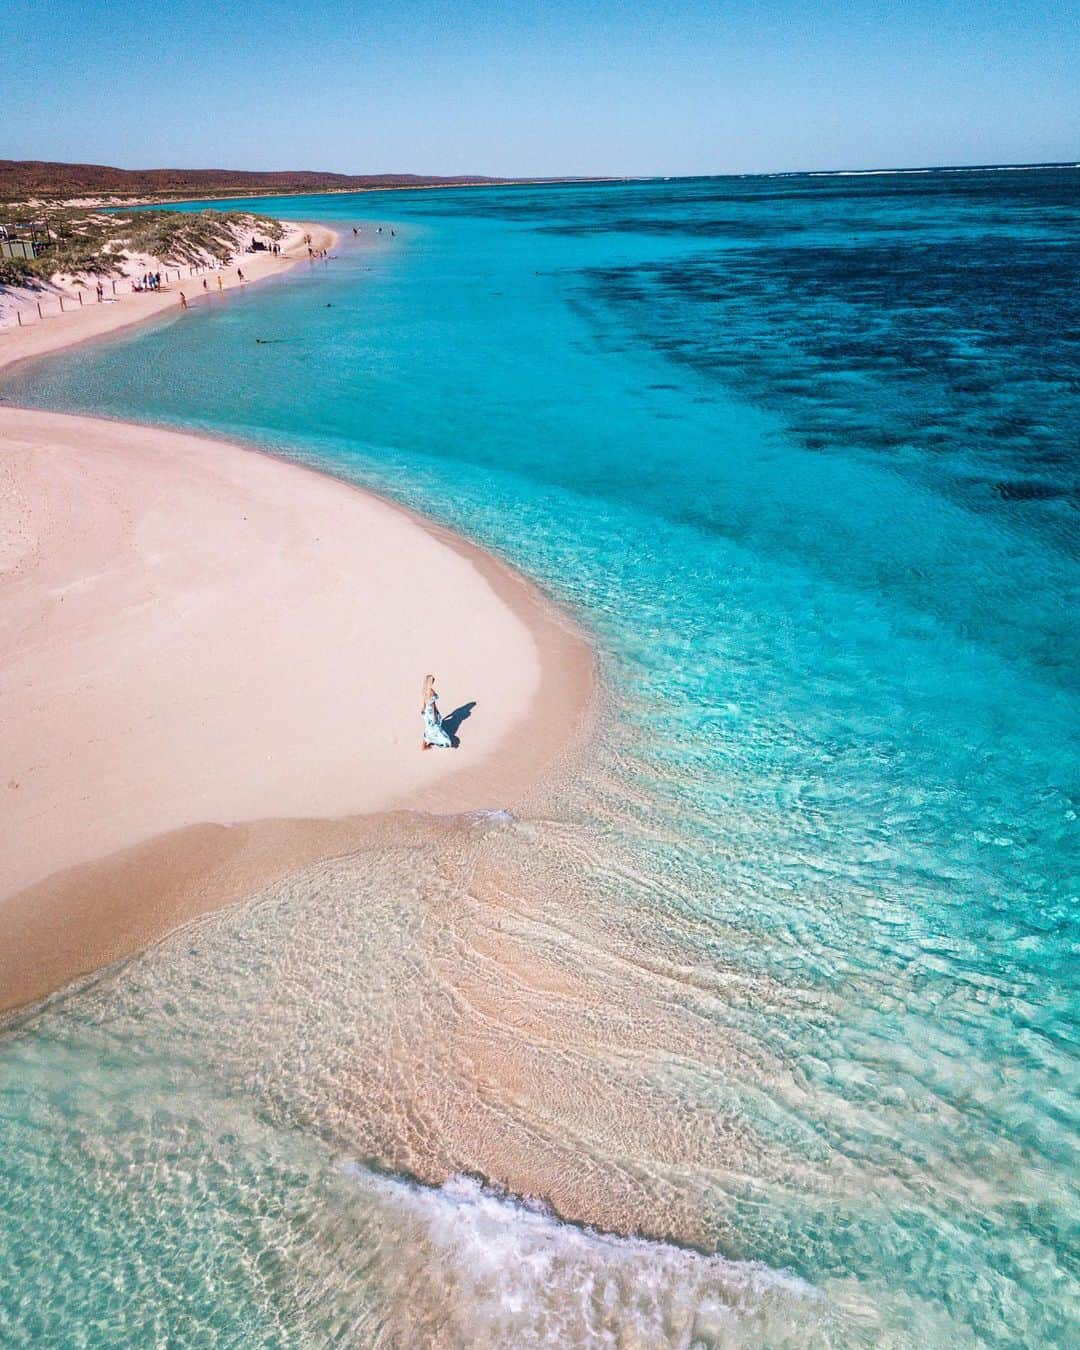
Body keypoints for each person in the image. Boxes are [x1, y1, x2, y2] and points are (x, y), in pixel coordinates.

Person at [421, 675, 452, 750]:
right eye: (432, 681)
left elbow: (424, 701)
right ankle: (443, 741)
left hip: (426, 711)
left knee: (428, 727)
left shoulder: (424, 690)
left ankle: (424, 745)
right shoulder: (431, 692)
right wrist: (434, 716)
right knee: (435, 728)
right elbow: (432, 705)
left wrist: (423, 708)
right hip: (431, 712)